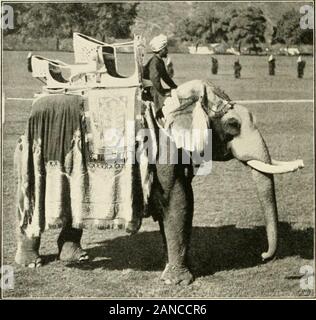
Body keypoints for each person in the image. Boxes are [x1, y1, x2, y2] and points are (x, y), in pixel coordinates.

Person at [142, 34, 177, 118]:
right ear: (160, 50)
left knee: (173, 94)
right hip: (150, 90)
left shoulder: (159, 61)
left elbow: (165, 77)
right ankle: (159, 117)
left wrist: (175, 88)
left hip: (154, 88)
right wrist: (163, 93)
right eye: (165, 49)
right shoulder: (155, 62)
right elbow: (155, 80)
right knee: (165, 101)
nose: (167, 51)